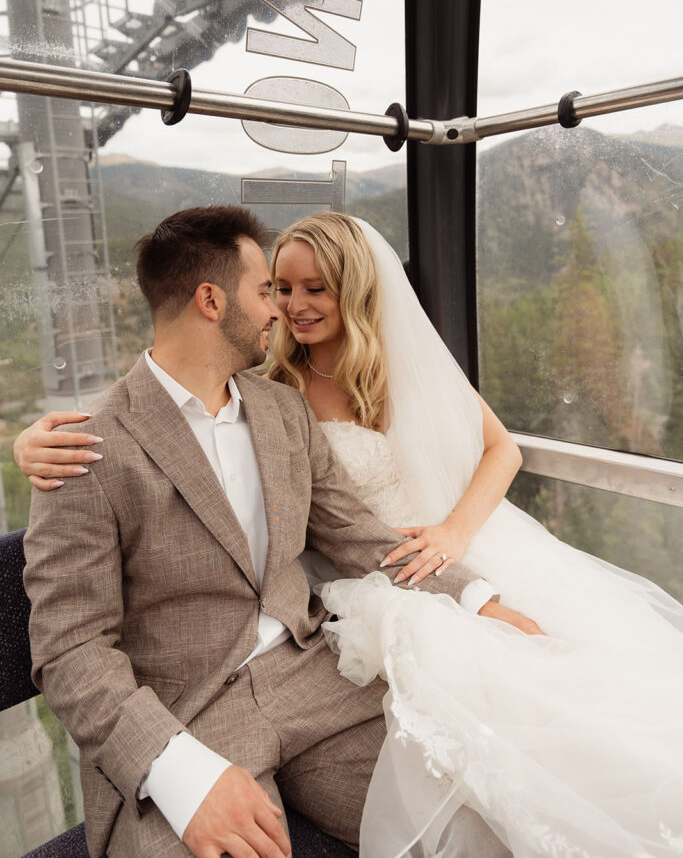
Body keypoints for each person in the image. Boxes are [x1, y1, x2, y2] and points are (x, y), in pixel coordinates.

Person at [17, 211, 683, 856]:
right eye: (267, 290)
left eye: (301, 289)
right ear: (212, 301)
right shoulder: (81, 450)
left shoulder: (279, 408)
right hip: (188, 709)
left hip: (317, 674)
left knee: (497, 800)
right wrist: (178, 770)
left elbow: (355, 535)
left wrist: (479, 601)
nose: (280, 308)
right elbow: (71, 649)